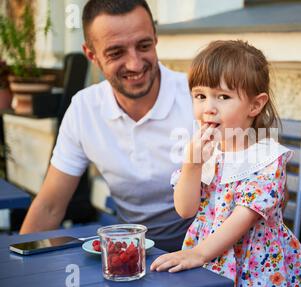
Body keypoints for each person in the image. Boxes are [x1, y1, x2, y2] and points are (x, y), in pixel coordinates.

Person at [19, 0, 195, 252]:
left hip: (204, 252)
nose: (135, 64)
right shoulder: (83, 108)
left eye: (143, 45)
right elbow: (49, 206)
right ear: (92, 55)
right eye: (116, 52)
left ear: (155, 39)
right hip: (130, 254)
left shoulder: (199, 99)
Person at [149, 40, 301, 287]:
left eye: (223, 97)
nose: (208, 108)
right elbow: (185, 209)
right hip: (208, 258)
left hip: (255, 268)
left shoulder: (266, 158)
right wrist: (192, 165)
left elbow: (243, 219)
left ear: (255, 105)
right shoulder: (205, 152)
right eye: (200, 96)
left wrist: (198, 254)